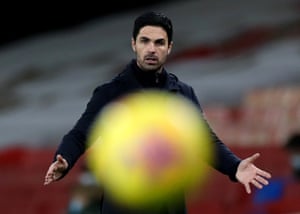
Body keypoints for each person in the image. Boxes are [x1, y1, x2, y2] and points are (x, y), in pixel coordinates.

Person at [44, 11, 271, 214]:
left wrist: (234, 166)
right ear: (134, 44)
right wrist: (64, 159)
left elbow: (205, 141)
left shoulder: (183, 93)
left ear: (169, 47)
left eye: (159, 43)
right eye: (145, 41)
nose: (152, 48)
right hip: (124, 203)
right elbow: (80, 134)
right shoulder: (109, 93)